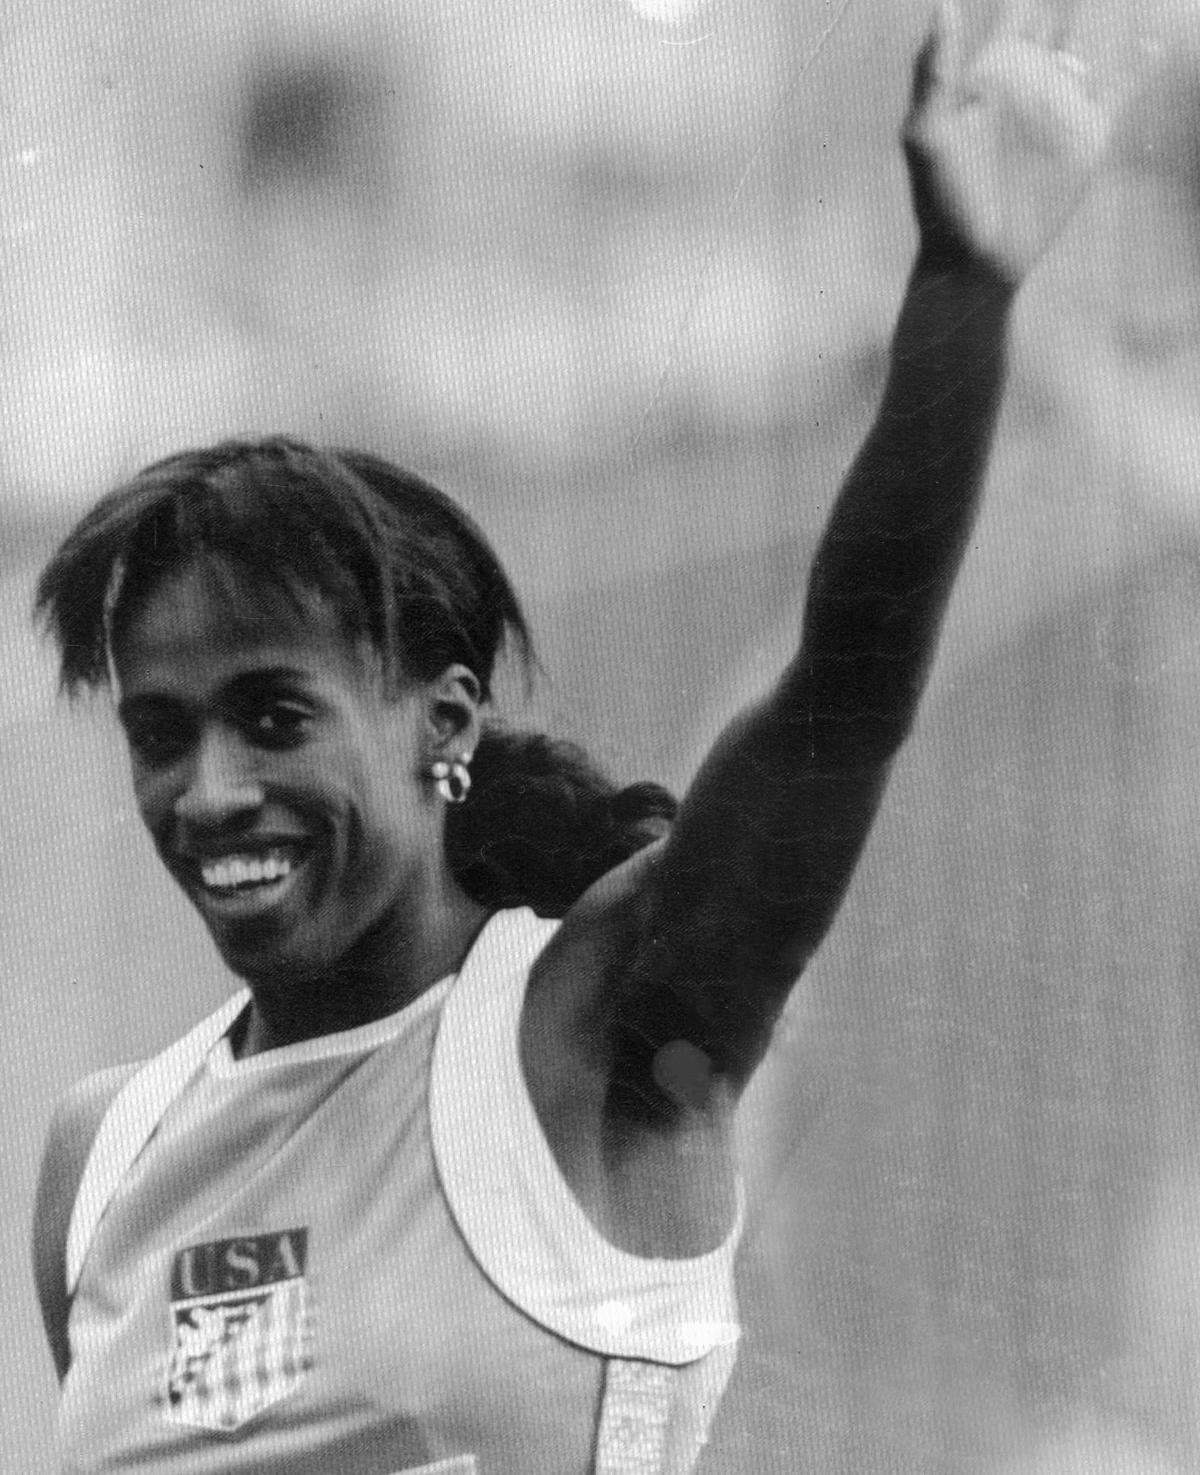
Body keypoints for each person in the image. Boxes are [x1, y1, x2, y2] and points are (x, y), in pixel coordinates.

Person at [28, 6, 1138, 1472]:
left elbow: (842, 694)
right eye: (160, 736)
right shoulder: (102, 1155)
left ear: (446, 722)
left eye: (275, 718)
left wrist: (961, 289)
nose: (210, 792)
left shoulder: (597, 1028)